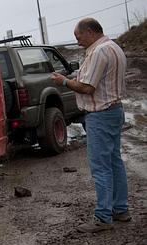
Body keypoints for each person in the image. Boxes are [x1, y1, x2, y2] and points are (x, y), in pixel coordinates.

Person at [51, 18, 130, 233]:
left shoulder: (98, 52)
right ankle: (121, 209)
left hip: (100, 114)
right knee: (114, 161)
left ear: (90, 31)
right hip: (114, 110)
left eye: (79, 37)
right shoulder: (114, 48)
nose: (77, 42)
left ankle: (104, 217)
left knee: (101, 167)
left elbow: (87, 88)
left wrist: (64, 82)